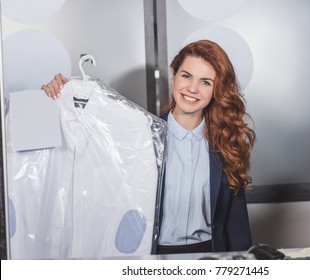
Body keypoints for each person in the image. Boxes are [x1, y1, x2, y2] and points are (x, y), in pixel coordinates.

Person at [41, 40, 256, 254]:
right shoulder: (139, 136)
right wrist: (54, 99)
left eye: (205, 82)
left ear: (216, 90)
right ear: (174, 76)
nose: (192, 88)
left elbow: (237, 230)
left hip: (210, 257)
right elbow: (86, 180)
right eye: (187, 76)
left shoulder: (226, 145)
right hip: (150, 258)